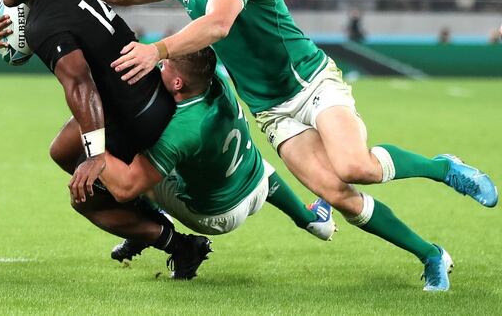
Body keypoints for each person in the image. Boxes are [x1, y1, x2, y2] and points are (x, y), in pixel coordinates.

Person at [80, 0, 498, 291]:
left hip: (309, 82)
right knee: (339, 196)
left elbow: (218, 24)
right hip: (272, 110)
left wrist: (158, 50)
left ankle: (444, 168)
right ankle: (431, 256)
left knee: (355, 168)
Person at [0, 0, 210, 279]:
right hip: (144, 91)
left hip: (134, 113)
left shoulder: (46, 24)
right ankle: (142, 216)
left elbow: (81, 86)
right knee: (61, 151)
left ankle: (179, 245)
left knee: (83, 197)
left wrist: (97, 156)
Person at [99, 47, 336, 266]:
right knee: (247, 158)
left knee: (133, 159)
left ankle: (149, 227)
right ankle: (311, 219)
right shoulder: (216, 81)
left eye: (164, 66)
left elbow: (125, 188)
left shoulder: (183, 130)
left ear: (178, 82)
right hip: (257, 184)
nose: (160, 67)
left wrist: (93, 137)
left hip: (215, 215)